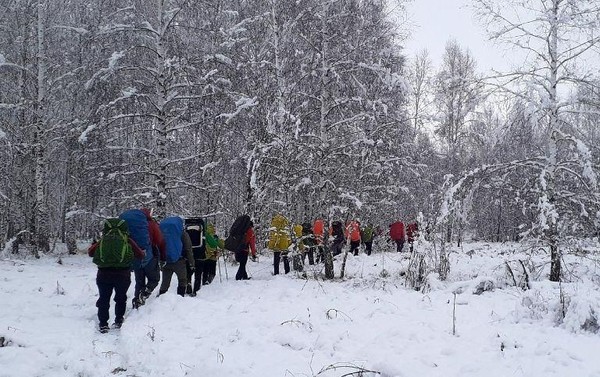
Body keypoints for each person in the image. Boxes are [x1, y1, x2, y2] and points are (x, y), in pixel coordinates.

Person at [89, 218, 145, 333]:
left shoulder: (103, 240)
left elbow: (90, 252)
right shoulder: (127, 240)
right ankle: (119, 320)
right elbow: (140, 254)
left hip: (103, 274)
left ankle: (103, 324)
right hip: (123, 274)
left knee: (104, 298)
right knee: (121, 297)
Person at [119, 208, 166, 309]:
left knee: (139, 281)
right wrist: (162, 256)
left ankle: (137, 301)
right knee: (154, 278)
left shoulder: (131, 225)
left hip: (134, 255)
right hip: (149, 255)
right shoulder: (152, 224)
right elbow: (159, 240)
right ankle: (144, 293)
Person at [158, 216, 194, 296]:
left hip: (166, 260)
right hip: (180, 261)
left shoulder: (163, 233)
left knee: (165, 282)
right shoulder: (182, 234)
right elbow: (188, 249)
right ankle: (179, 298)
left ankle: (161, 299)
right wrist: (191, 263)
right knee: (182, 280)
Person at [185, 217, 206, 295]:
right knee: (198, 275)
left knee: (188, 273)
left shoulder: (186, 231)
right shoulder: (202, 230)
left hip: (189, 255)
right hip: (200, 255)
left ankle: (188, 285)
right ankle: (196, 290)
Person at [232, 216, 256, 280]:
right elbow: (252, 244)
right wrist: (253, 253)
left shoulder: (239, 230)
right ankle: (238, 277)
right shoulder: (250, 232)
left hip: (237, 249)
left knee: (242, 264)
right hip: (244, 250)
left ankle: (244, 277)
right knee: (242, 265)